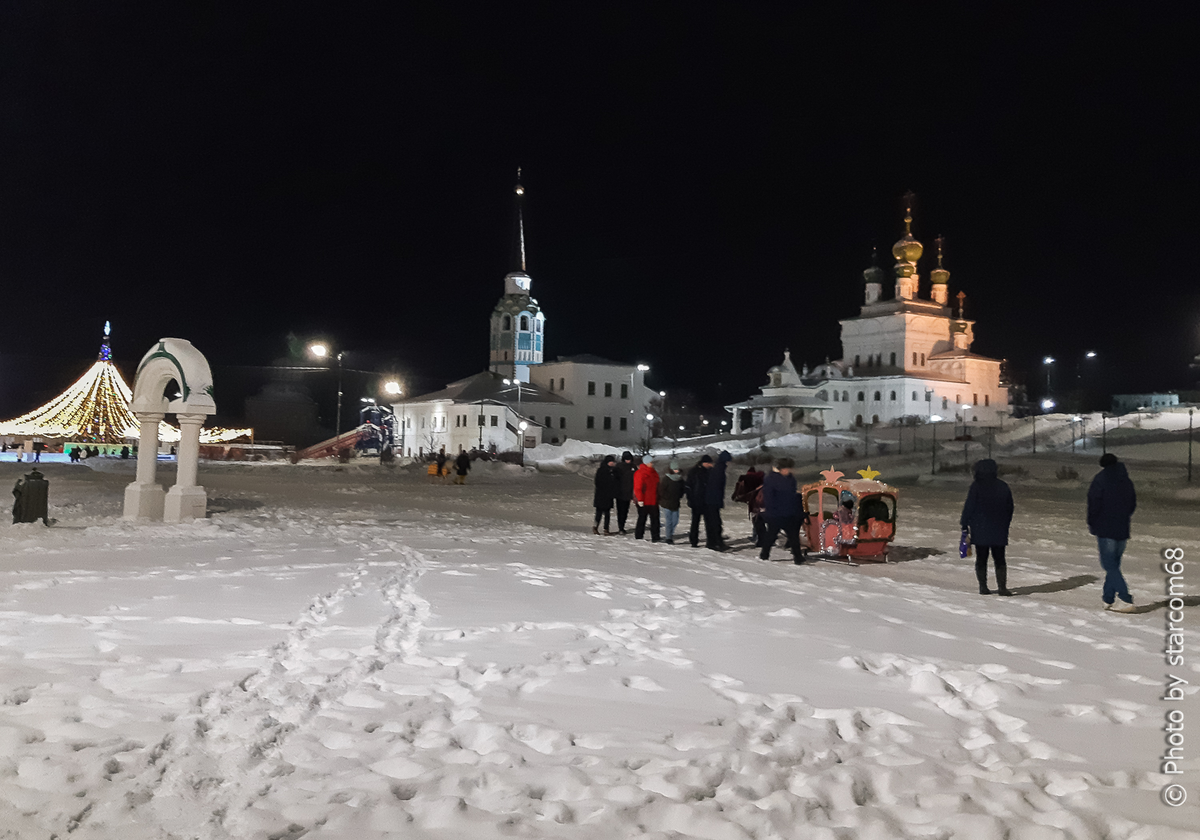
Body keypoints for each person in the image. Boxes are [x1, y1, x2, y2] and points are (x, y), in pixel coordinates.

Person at [1087, 453, 1137, 612]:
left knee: (1109, 564)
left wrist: (1092, 521)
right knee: (1114, 564)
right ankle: (1108, 598)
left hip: (1105, 527)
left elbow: (1093, 502)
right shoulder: (1126, 480)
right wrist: (1124, 516)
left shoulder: (1100, 479)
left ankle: (1125, 598)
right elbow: (1132, 503)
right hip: (1122, 527)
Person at [959, 458, 1015, 596]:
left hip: (980, 528)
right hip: (999, 528)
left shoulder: (976, 486)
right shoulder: (1003, 486)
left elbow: (969, 506)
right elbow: (1010, 507)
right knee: (1000, 558)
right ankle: (1002, 587)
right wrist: (1005, 523)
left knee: (982, 558)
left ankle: (983, 587)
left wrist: (964, 523)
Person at [760, 457, 804, 563]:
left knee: (793, 536)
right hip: (775, 514)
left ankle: (798, 557)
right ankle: (764, 555)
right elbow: (769, 497)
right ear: (782, 468)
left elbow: (792, 495)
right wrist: (772, 511)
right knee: (771, 535)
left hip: (789, 513)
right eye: (788, 468)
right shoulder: (770, 479)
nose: (790, 471)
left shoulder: (791, 479)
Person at [703, 450, 733, 551]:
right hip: (713, 500)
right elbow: (716, 488)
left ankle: (712, 542)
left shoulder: (717, 469)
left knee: (712, 522)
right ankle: (718, 543)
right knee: (716, 523)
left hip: (711, 500)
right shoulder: (719, 470)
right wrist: (718, 501)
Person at [732, 463, 766, 545]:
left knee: (756, 518)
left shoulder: (744, 478)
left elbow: (739, 490)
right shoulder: (762, 477)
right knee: (760, 517)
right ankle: (758, 536)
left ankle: (758, 537)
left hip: (755, 498)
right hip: (764, 498)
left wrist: (735, 497)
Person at [685, 454, 714, 547]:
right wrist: (690, 499)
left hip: (706, 501)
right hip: (696, 501)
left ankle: (710, 542)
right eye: (709, 463)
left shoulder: (709, 472)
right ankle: (693, 541)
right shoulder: (694, 472)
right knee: (695, 522)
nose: (711, 465)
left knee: (708, 522)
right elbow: (688, 487)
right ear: (704, 463)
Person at [633, 455, 661, 542]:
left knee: (655, 519)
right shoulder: (640, 473)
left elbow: (658, 485)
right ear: (646, 463)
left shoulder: (654, 473)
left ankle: (656, 537)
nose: (652, 464)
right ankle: (639, 536)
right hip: (644, 500)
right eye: (651, 462)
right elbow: (638, 488)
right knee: (642, 518)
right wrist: (640, 499)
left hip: (654, 500)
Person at [658, 461, 686, 544]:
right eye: (674, 469)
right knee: (669, 521)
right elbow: (661, 490)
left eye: (677, 469)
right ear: (671, 469)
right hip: (666, 503)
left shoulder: (680, 479)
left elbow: (683, 489)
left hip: (675, 503)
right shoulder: (666, 479)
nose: (676, 470)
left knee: (675, 521)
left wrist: (680, 495)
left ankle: (670, 534)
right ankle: (668, 537)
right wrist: (667, 497)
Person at [593, 455, 618, 535]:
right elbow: (598, 482)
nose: (612, 463)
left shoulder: (613, 471)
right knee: (599, 513)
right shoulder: (602, 470)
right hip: (601, 495)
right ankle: (595, 527)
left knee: (607, 513)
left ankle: (606, 529)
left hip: (608, 496)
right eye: (611, 462)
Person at [614, 451, 637, 534]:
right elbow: (615, 479)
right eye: (627, 459)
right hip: (620, 493)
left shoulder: (633, 467)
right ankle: (621, 527)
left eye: (629, 459)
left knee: (625, 511)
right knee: (620, 511)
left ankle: (622, 526)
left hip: (629, 493)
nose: (628, 461)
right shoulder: (619, 466)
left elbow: (636, 478)